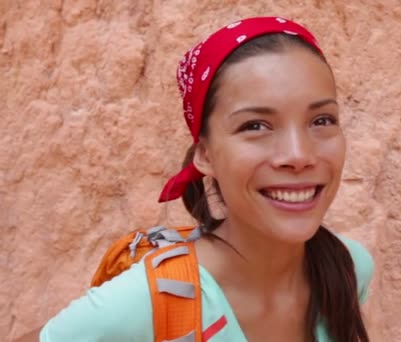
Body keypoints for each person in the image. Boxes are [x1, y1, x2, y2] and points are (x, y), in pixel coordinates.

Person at [24, 16, 374, 342]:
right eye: (255, 126)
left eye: (322, 120)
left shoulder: (348, 269)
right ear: (204, 155)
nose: (298, 155)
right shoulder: (150, 299)